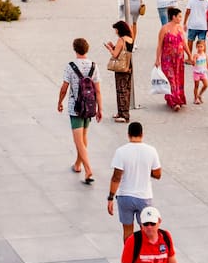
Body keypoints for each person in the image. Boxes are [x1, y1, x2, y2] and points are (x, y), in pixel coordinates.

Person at [59, 38, 105, 185]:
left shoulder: (70, 66)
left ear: (75, 49)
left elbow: (64, 87)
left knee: (78, 140)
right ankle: (78, 164)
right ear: (87, 49)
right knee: (84, 137)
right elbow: (97, 90)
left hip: (76, 106)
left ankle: (88, 169)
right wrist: (100, 109)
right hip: (90, 106)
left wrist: (60, 102)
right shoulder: (93, 66)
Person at [106, 121, 162, 238]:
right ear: (142, 134)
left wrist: (110, 198)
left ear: (128, 134)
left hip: (125, 196)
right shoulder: (151, 151)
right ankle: (143, 254)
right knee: (146, 230)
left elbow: (116, 177)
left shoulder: (121, 151)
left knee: (127, 230)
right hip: (144, 197)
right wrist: (146, 171)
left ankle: (129, 255)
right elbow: (158, 174)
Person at [155, 11, 188, 111]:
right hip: (167, 59)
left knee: (178, 79)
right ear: (173, 17)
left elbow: (184, 44)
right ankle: (174, 102)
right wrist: (157, 59)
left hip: (179, 59)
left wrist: (190, 56)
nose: (180, 18)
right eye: (179, 16)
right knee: (171, 79)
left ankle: (176, 98)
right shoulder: (164, 29)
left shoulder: (180, 28)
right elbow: (160, 45)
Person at [108, 21, 136, 123]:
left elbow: (115, 55)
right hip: (128, 66)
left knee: (121, 90)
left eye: (116, 29)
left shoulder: (121, 40)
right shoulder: (130, 39)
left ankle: (124, 114)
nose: (115, 31)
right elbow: (124, 52)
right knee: (126, 89)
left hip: (121, 68)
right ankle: (122, 112)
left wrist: (110, 49)